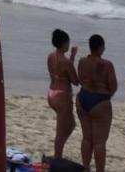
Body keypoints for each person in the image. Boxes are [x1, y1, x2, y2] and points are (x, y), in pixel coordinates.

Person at [77, 33, 117, 171]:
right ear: (101, 47)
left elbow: (80, 80)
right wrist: (104, 98)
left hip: (83, 98)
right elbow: (113, 87)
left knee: (87, 138)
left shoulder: (82, 61)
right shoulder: (107, 64)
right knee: (99, 142)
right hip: (100, 100)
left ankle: (86, 168)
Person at [47, 28, 79, 158]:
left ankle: (58, 152)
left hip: (52, 93)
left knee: (70, 125)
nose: (69, 44)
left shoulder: (51, 56)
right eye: (68, 42)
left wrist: (72, 56)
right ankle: (57, 157)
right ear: (63, 43)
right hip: (62, 96)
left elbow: (62, 72)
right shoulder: (66, 62)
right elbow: (75, 81)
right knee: (61, 132)